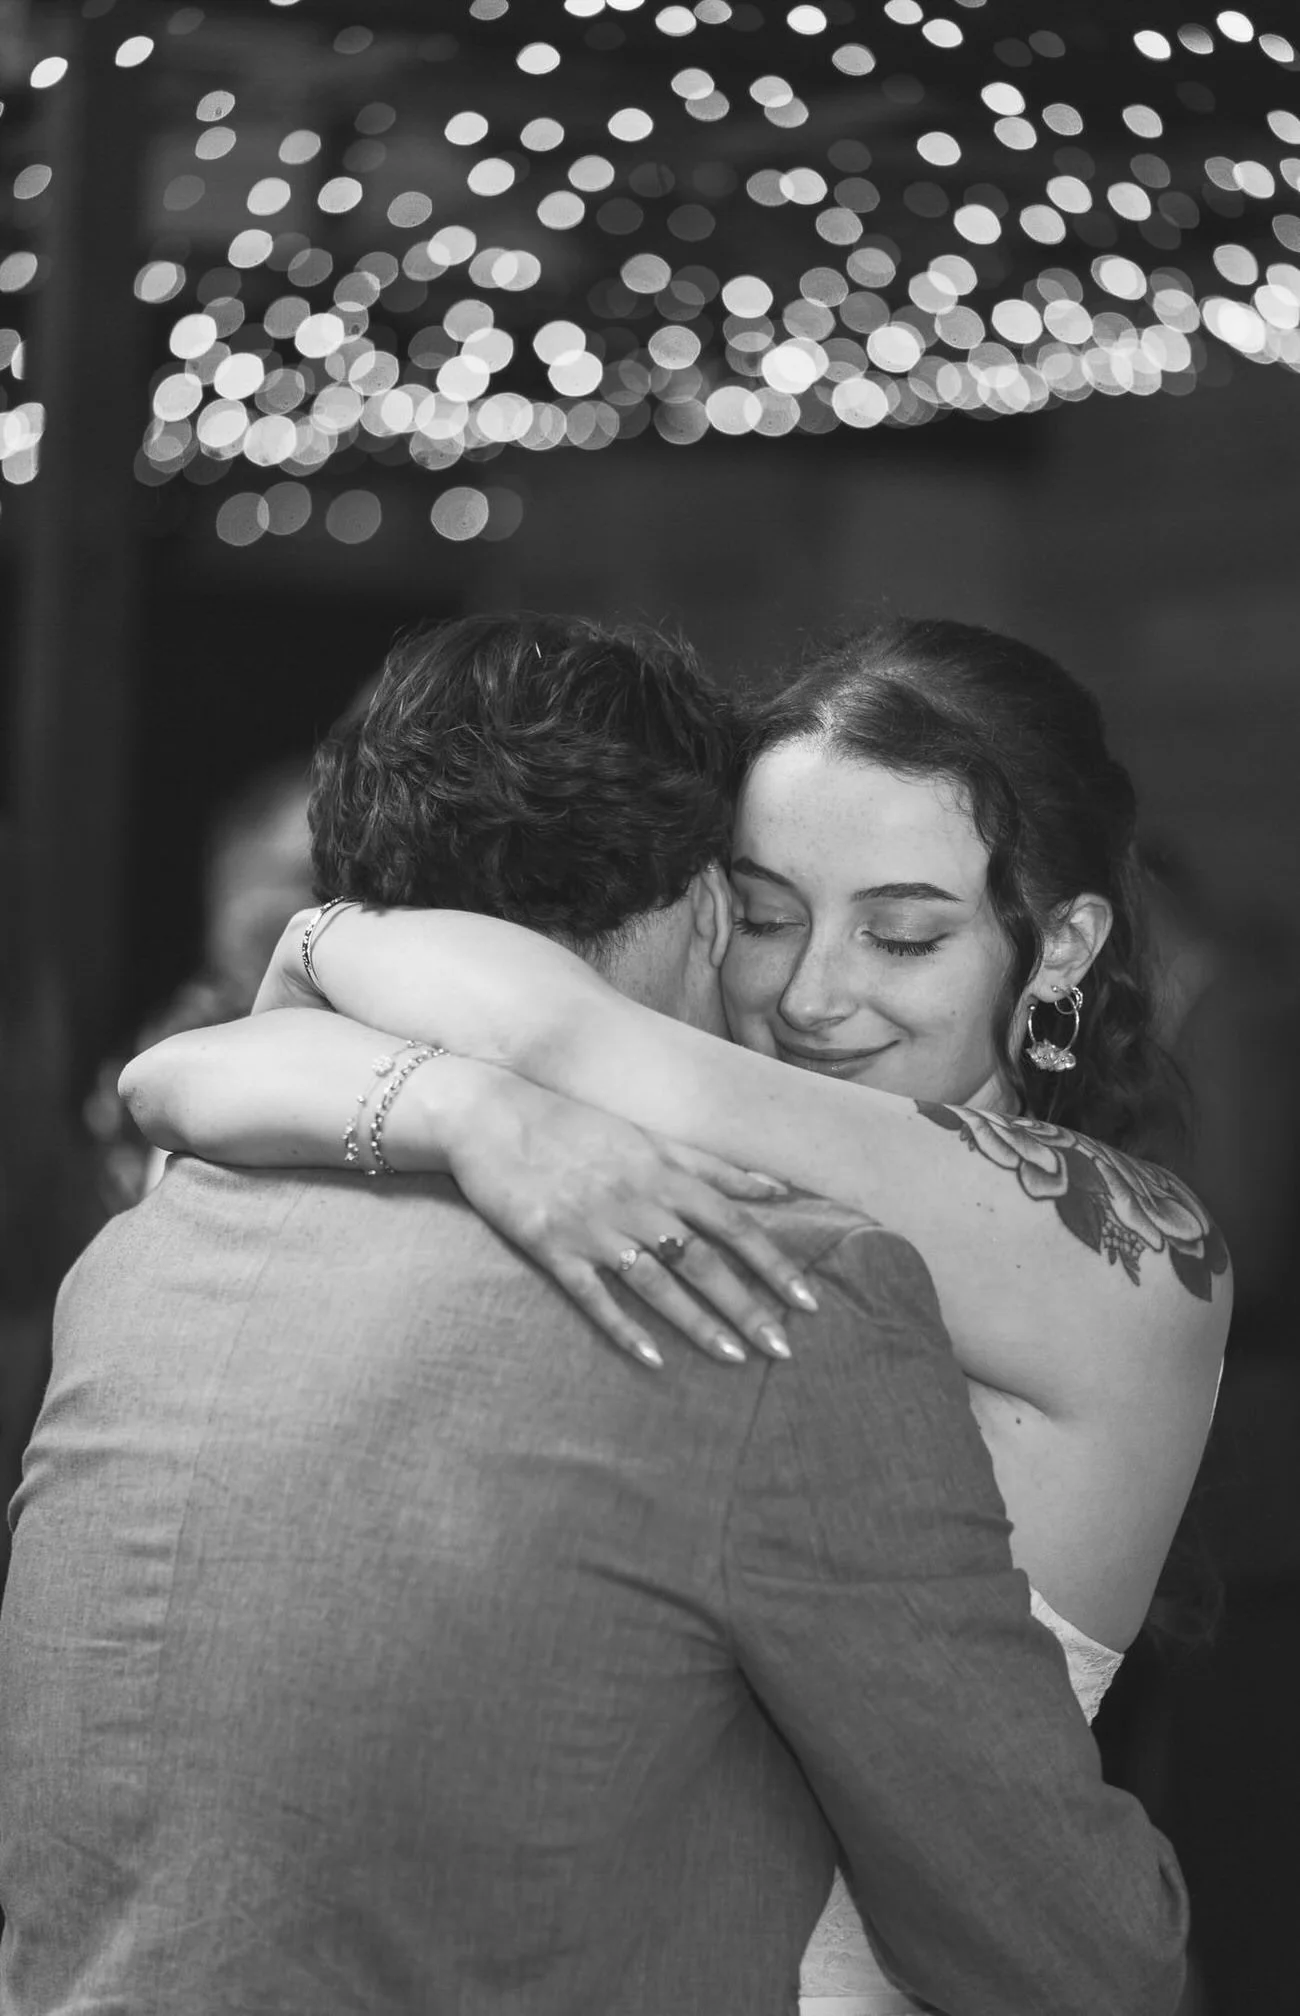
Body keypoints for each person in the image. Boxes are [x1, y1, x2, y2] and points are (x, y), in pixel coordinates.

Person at [0, 618, 1190, 2016]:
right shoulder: (756, 1280)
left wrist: (341, 959)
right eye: (762, 913)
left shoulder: (150, 1245)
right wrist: (463, 1100)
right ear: (700, 908)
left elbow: (207, 1078)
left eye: (907, 932)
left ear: (1060, 951)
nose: (810, 995)